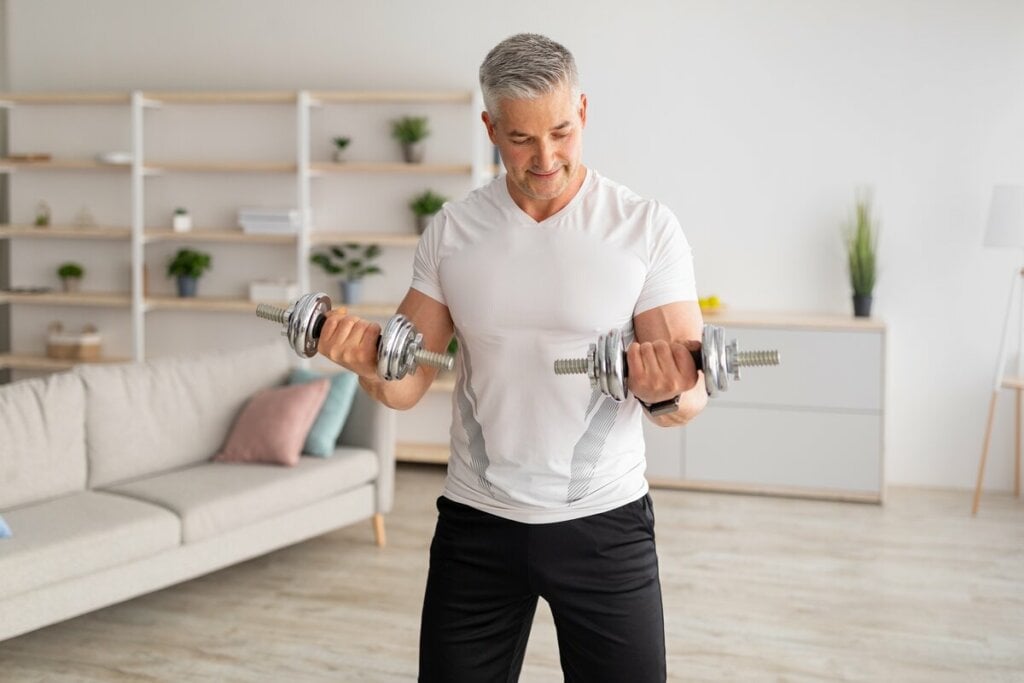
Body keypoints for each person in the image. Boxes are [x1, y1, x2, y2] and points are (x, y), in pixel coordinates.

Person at [317, 32, 707, 682]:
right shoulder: (452, 232)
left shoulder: (644, 228)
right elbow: (406, 381)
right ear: (490, 127)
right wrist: (358, 358)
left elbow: (686, 399)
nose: (546, 156)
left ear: (582, 111)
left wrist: (665, 388)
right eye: (522, 138)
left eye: (560, 130)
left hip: (603, 520)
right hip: (478, 520)